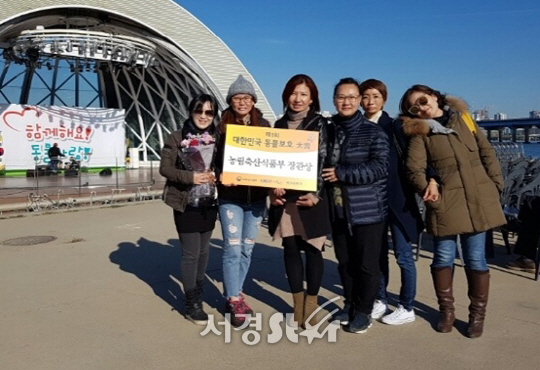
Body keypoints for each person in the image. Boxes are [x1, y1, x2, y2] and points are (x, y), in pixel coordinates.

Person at [400, 84, 506, 338]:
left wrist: (496, 184)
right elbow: (413, 169)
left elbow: (486, 151)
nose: (421, 108)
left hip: (478, 199)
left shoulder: (465, 119)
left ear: (435, 97)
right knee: (443, 258)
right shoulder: (420, 134)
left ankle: (476, 317)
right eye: (414, 107)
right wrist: (429, 189)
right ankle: (446, 311)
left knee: (476, 259)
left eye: (423, 100)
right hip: (445, 203)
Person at [322, 77, 389, 334]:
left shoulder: (374, 132)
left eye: (351, 97)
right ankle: (349, 304)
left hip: (367, 210)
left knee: (366, 265)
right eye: (341, 97)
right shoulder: (327, 130)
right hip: (338, 209)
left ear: (360, 100)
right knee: (345, 262)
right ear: (334, 100)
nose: (346, 101)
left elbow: (380, 167)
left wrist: (342, 173)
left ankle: (364, 311)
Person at [268, 74, 331, 328]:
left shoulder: (320, 124)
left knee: (313, 252)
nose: (298, 99)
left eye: (303, 94)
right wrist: (273, 185)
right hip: (286, 199)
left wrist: (316, 194)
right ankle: (297, 305)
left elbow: (325, 160)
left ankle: (311, 306)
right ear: (286, 96)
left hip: (310, 198)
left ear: (312, 98)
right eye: (294, 93)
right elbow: (271, 161)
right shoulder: (279, 125)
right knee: (291, 251)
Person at [358, 79, 424, 325]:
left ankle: (407, 306)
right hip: (370, 202)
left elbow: (416, 158)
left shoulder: (395, 126)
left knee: (403, 256)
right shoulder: (358, 126)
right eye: (365, 96)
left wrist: (431, 182)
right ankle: (381, 299)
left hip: (397, 200)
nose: (370, 101)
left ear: (383, 99)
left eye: (375, 96)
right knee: (377, 255)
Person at [159, 93, 220, 325]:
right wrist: (190, 177)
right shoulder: (176, 137)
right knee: (191, 253)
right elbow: (165, 168)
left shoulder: (218, 137)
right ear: (190, 111)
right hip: (186, 201)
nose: (203, 116)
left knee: (204, 252)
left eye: (209, 112)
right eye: (199, 110)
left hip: (210, 202)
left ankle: (198, 292)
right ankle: (191, 302)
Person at [216, 75, 270, 327]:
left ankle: (236, 291)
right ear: (230, 101)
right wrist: (220, 176)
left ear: (253, 101)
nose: (242, 102)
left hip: (257, 199)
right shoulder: (221, 127)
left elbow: (273, 160)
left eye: (246, 98)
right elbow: (214, 161)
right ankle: (233, 297)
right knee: (232, 247)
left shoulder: (265, 126)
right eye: (237, 98)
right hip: (231, 199)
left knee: (247, 248)